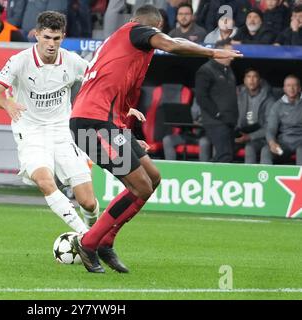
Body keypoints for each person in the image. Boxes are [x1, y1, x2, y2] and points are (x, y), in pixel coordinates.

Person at [70, 5, 242, 273]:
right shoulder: (134, 31)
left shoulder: (128, 54)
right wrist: (211, 51)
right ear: (151, 27)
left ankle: (106, 242)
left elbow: (117, 97)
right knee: (140, 187)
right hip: (92, 123)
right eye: (156, 33)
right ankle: (89, 242)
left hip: (106, 124)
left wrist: (128, 135)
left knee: (153, 178)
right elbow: (173, 45)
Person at [0, 12, 100, 236]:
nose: (51, 44)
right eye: (46, 37)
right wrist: (7, 103)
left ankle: (95, 234)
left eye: (56, 38)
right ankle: (87, 240)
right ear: (36, 35)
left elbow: (100, 85)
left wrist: (123, 107)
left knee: (87, 202)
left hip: (62, 133)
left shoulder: (73, 61)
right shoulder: (20, 61)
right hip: (31, 133)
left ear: (63, 37)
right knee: (45, 181)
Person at [195, 39, 238, 163]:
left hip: (229, 121)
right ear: (220, 52)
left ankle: (209, 177)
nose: (233, 56)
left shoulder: (228, 70)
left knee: (226, 155)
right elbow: (201, 97)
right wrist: (217, 113)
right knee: (224, 155)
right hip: (216, 122)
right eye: (231, 52)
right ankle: (207, 178)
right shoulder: (206, 70)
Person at [235, 68, 275, 164]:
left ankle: (249, 177)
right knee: (223, 145)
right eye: (249, 77)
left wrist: (250, 136)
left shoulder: (269, 99)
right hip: (241, 134)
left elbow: (270, 127)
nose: (251, 80)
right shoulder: (238, 95)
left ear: (260, 80)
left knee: (250, 148)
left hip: (260, 137)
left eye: (255, 77)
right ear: (244, 81)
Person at [261, 75, 302, 165]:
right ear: (284, 88)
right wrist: (272, 143)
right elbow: (271, 128)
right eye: (288, 85)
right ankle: (267, 178)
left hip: (300, 143)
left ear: (299, 88)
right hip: (285, 144)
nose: (291, 88)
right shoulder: (277, 106)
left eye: (294, 85)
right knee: (266, 150)